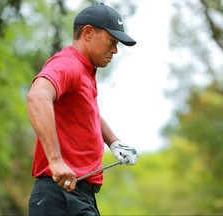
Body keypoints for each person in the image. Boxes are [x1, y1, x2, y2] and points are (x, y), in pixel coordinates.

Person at [27, 3, 139, 216]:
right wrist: (55, 161)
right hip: (60, 197)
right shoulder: (68, 64)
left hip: (78, 197)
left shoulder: (85, 71)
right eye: (112, 42)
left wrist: (114, 142)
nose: (115, 50)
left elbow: (88, 113)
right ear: (88, 33)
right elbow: (37, 96)